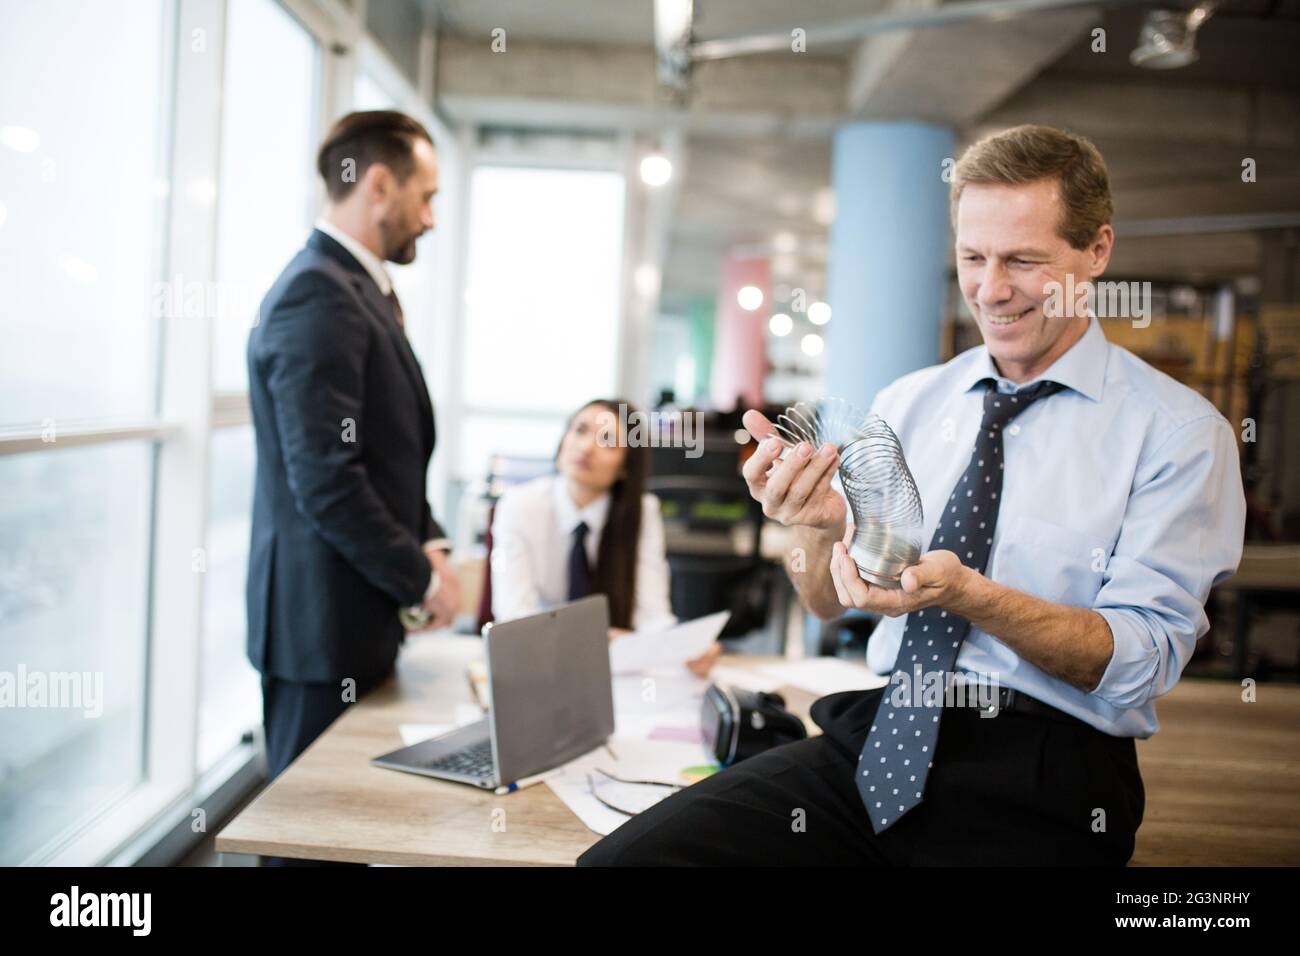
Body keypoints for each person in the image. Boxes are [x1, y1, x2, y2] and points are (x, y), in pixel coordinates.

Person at [578, 124, 1245, 866]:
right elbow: (825, 603)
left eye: (1023, 260)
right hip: (882, 733)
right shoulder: (910, 402)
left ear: (1097, 252)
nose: (991, 289)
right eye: (972, 257)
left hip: (1049, 771)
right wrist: (818, 527)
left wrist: (969, 596)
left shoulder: (1179, 433)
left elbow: (1142, 660)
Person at [246, 110, 462, 798]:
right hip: (319, 627)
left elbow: (384, 451)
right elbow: (327, 479)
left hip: (351, 616)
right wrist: (421, 581)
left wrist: (427, 542)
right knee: (305, 836)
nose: (429, 218)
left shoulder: (357, 288)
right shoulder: (318, 294)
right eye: (425, 196)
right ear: (377, 184)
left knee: (348, 824)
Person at [490, 399, 721, 677]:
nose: (586, 447)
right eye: (580, 430)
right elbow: (514, 619)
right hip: (537, 667)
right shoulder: (519, 506)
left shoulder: (642, 512)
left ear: (626, 466)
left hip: (611, 671)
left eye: (608, 441)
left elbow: (653, 615)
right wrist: (597, 638)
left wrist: (683, 650)